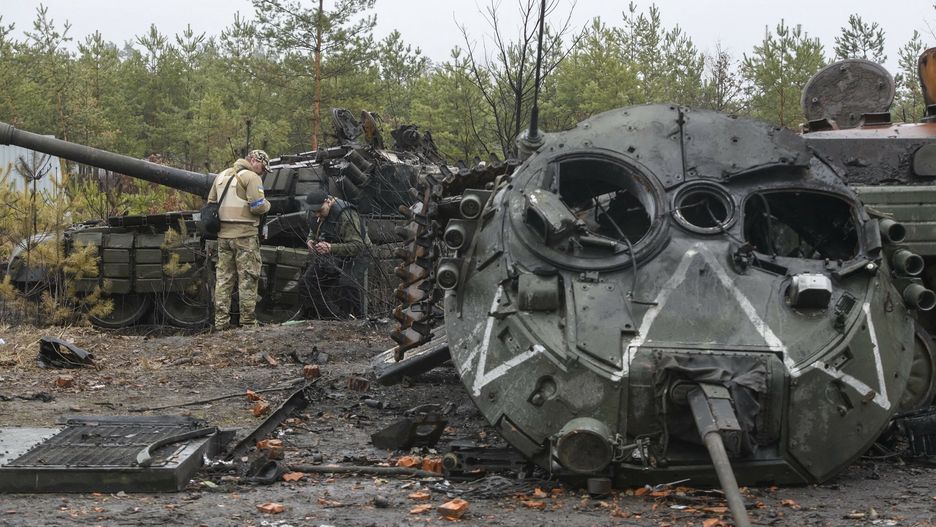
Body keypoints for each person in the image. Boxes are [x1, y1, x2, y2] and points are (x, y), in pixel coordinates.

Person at [208, 149, 271, 329]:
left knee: (223, 280)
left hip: (223, 237)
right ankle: (248, 323)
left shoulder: (221, 175)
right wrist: (269, 204)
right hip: (244, 237)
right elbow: (258, 207)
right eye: (263, 166)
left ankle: (220, 323)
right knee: (248, 279)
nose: (263, 171)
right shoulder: (251, 177)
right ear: (254, 160)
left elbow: (211, 203)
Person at [302, 188, 371, 318]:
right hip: (334, 251)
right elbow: (314, 228)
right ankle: (330, 318)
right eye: (314, 212)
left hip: (357, 253)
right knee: (309, 281)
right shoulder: (316, 213)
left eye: (320, 211)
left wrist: (331, 248)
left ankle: (358, 320)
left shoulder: (346, 215)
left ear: (328, 202)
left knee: (347, 284)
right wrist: (310, 239)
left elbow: (357, 246)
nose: (317, 215)